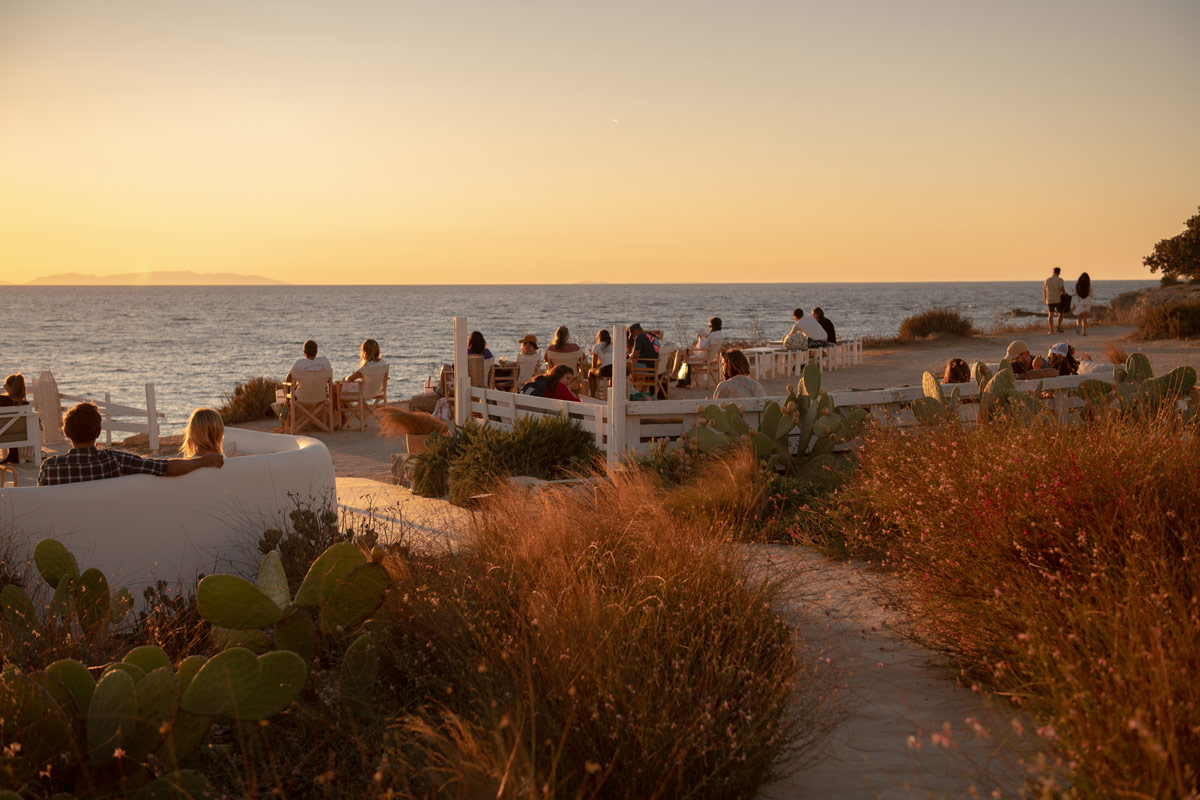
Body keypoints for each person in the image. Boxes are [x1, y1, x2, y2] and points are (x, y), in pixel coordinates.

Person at [38, 402, 223, 486]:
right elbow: (166, 468)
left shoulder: (50, 468)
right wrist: (202, 461)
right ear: (98, 432)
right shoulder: (114, 460)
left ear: (66, 433)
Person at [1, 373, 29, 464]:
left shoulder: (1, 400)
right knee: (13, 425)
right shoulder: (25, 404)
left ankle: (12, 456)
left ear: (10, 386)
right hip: (22, 434)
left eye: (5, 385)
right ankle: (13, 455)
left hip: (3, 433)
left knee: (8, 425)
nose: (4, 387)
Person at [588, 329, 613, 396]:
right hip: (617, 369)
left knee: (591, 372)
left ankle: (593, 395)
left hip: (606, 370)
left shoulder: (596, 346)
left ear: (599, 337)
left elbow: (594, 366)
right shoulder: (613, 345)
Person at [1043, 267, 1067, 334]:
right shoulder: (1060, 280)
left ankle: (1051, 330)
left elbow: (1044, 290)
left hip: (1050, 299)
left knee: (1050, 314)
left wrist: (1045, 299)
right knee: (1061, 313)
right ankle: (1058, 327)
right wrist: (1065, 294)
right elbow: (1062, 288)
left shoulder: (1047, 280)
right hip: (1058, 299)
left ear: (1053, 272)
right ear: (1059, 272)